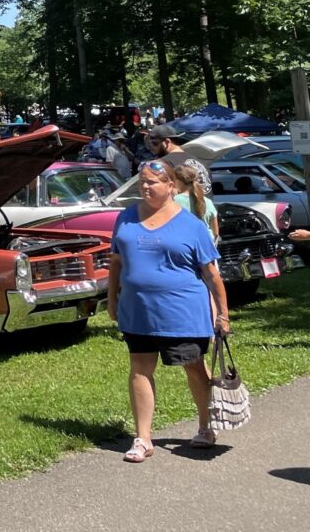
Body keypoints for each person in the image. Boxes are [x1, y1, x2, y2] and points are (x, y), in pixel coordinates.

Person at [107, 159, 229, 462]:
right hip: (138, 311)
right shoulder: (126, 218)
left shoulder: (192, 225)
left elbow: (212, 275)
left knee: (194, 367)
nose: (145, 186)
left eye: (153, 182)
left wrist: (223, 314)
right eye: (142, 181)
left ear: (171, 187)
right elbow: (116, 263)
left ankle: (205, 426)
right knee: (139, 368)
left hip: (182, 313)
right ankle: (143, 438)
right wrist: (112, 300)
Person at [147, 124, 212, 193]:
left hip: (181, 203)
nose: (152, 148)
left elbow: (156, 193)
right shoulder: (199, 161)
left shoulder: (162, 163)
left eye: (154, 143)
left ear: (167, 142)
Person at [174, 163, 220, 244]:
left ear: (179, 181)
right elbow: (215, 233)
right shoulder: (207, 201)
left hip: (184, 246)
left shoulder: (174, 201)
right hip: (207, 246)